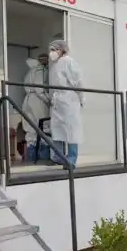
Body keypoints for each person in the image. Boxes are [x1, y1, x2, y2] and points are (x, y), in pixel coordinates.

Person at [46, 40, 84, 168]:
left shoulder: (68, 61)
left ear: (62, 50)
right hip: (58, 101)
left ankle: (71, 159)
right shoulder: (55, 65)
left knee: (71, 130)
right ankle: (59, 157)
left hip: (69, 99)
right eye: (51, 49)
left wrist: (81, 97)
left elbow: (78, 81)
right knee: (57, 129)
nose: (52, 52)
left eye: (54, 49)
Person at [22, 52, 51, 162]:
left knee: (31, 132)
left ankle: (31, 160)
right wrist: (50, 101)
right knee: (44, 128)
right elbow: (40, 89)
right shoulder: (41, 70)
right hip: (38, 101)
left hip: (27, 100)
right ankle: (42, 160)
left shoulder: (30, 71)